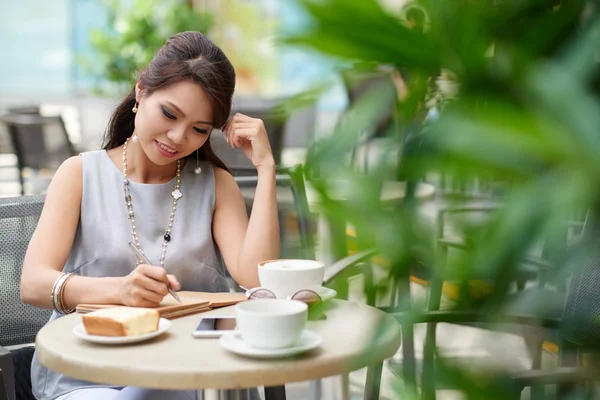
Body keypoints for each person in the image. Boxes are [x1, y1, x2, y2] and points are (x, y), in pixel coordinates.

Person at [20, 31, 279, 400]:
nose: (177, 137)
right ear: (141, 93)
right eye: (169, 114)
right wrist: (121, 291)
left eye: (199, 130)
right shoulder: (78, 174)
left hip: (182, 374)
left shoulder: (216, 185)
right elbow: (32, 284)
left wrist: (266, 168)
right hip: (87, 373)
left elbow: (256, 277)